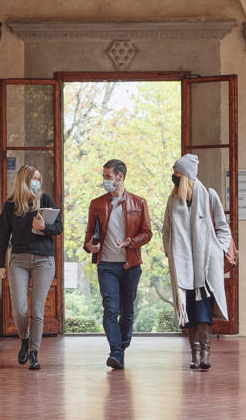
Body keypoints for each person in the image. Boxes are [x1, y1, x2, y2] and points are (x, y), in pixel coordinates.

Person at [162, 154, 232, 370]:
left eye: (177, 174)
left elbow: (223, 228)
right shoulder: (173, 200)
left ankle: (204, 355)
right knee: (189, 313)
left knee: (203, 312)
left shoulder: (209, 196)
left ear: (187, 177)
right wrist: (169, 252)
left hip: (205, 267)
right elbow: (166, 230)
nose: (174, 178)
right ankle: (194, 354)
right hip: (183, 266)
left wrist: (217, 250)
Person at [84, 159, 152, 370]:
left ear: (119, 177)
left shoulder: (138, 203)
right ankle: (116, 353)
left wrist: (130, 242)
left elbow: (147, 233)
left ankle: (121, 348)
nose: (104, 180)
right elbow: (88, 236)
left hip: (130, 265)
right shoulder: (97, 204)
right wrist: (89, 247)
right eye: (104, 176)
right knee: (110, 309)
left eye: (107, 177)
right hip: (106, 266)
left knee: (128, 311)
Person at [0, 164, 63, 370]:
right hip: (19, 259)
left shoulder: (45, 200)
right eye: (34, 178)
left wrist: (45, 227)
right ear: (24, 180)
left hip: (44, 260)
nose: (38, 182)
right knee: (19, 309)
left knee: (37, 309)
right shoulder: (11, 205)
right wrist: (0, 264)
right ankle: (24, 338)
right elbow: (2, 236)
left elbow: (58, 228)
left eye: (39, 178)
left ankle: (34, 353)